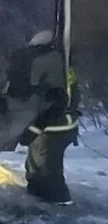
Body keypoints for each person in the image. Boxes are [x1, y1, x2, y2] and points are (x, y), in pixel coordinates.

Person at [22, 65, 80, 205]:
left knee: (46, 170)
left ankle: (58, 200)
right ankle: (38, 193)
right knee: (36, 164)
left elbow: (54, 109)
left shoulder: (52, 66)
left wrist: (32, 132)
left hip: (55, 128)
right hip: (61, 124)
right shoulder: (62, 65)